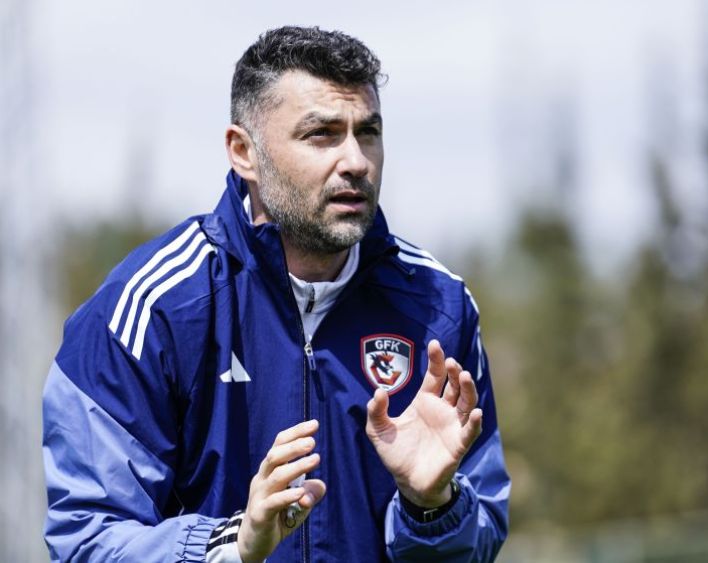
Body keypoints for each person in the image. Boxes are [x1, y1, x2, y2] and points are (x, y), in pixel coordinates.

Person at [42, 26, 509, 562]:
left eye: (368, 132)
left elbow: (481, 534)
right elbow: (88, 540)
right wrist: (234, 547)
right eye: (322, 134)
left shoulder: (438, 307)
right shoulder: (150, 309)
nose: (356, 161)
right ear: (244, 152)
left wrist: (430, 506)